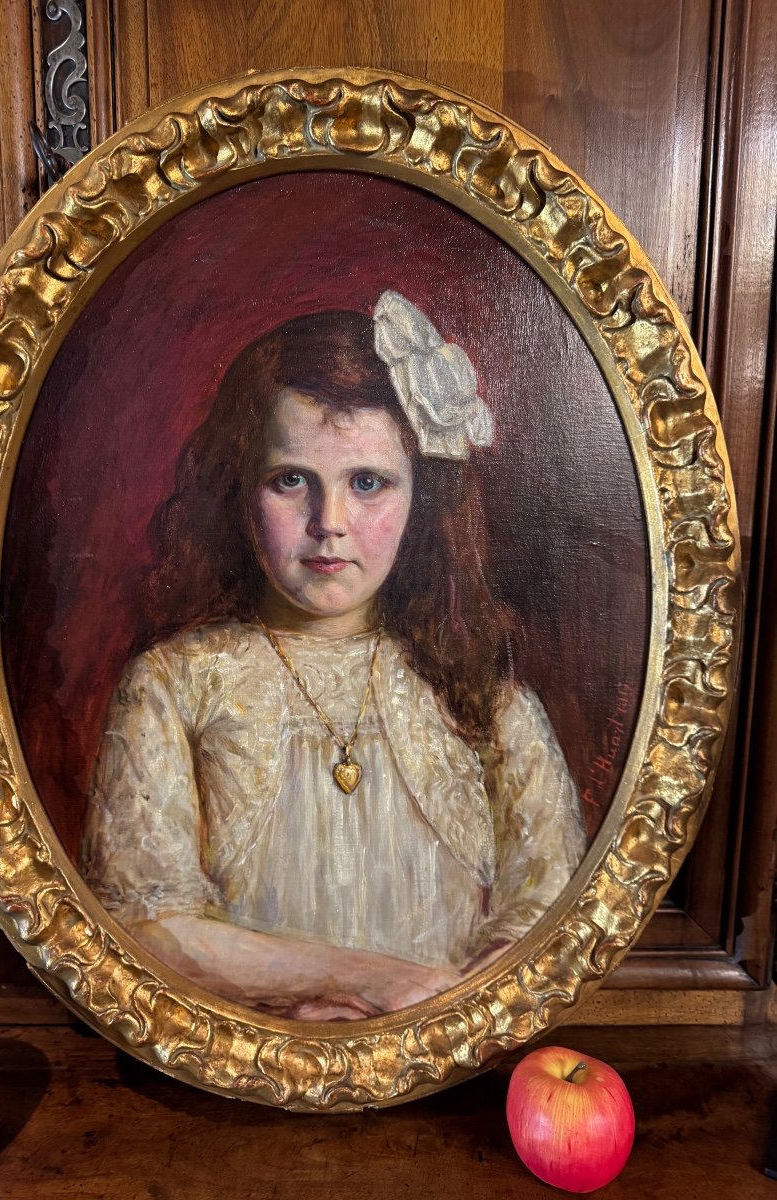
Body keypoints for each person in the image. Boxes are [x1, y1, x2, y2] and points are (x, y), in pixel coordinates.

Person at [80, 292, 586, 1020]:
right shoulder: (174, 683)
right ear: (240, 490)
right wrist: (365, 981)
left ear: (423, 501)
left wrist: (430, 1020)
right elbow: (146, 928)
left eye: (368, 483)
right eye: (292, 481)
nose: (330, 525)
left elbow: (548, 907)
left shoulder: (489, 697)